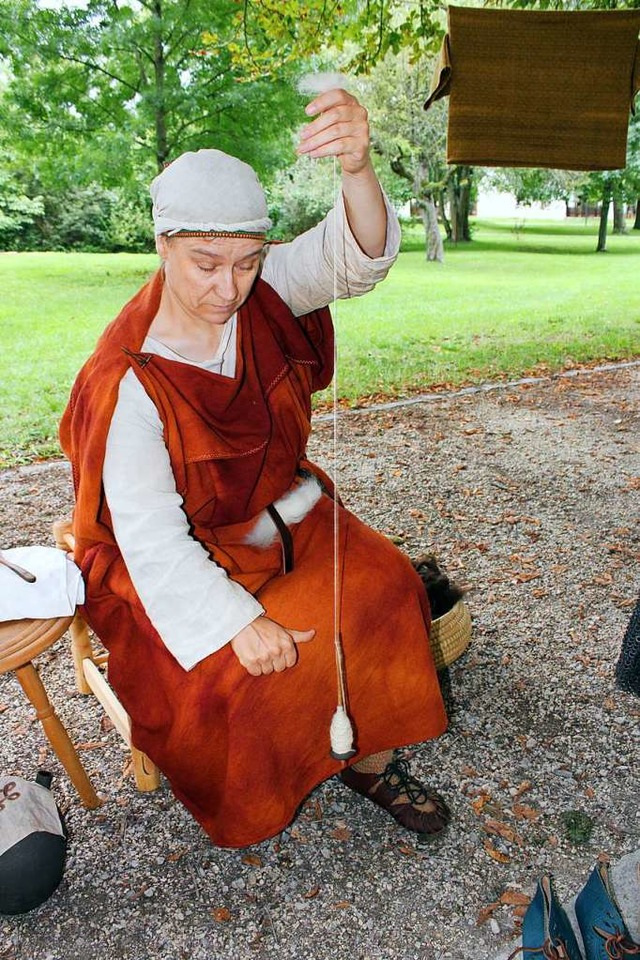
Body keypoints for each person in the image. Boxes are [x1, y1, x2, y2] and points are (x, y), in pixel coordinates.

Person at [60, 88, 449, 848]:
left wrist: (359, 166)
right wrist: (236, 621)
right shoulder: (127, 377)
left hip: (287, 516)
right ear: (162, 243)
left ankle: (369, 757)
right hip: (181, 565)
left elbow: (356, 256)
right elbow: (149, 537)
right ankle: (269, 784)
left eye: (244, 263)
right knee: (240, 684)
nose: (226, 288)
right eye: (205, 263)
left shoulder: (260, 292)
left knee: (386, 587)